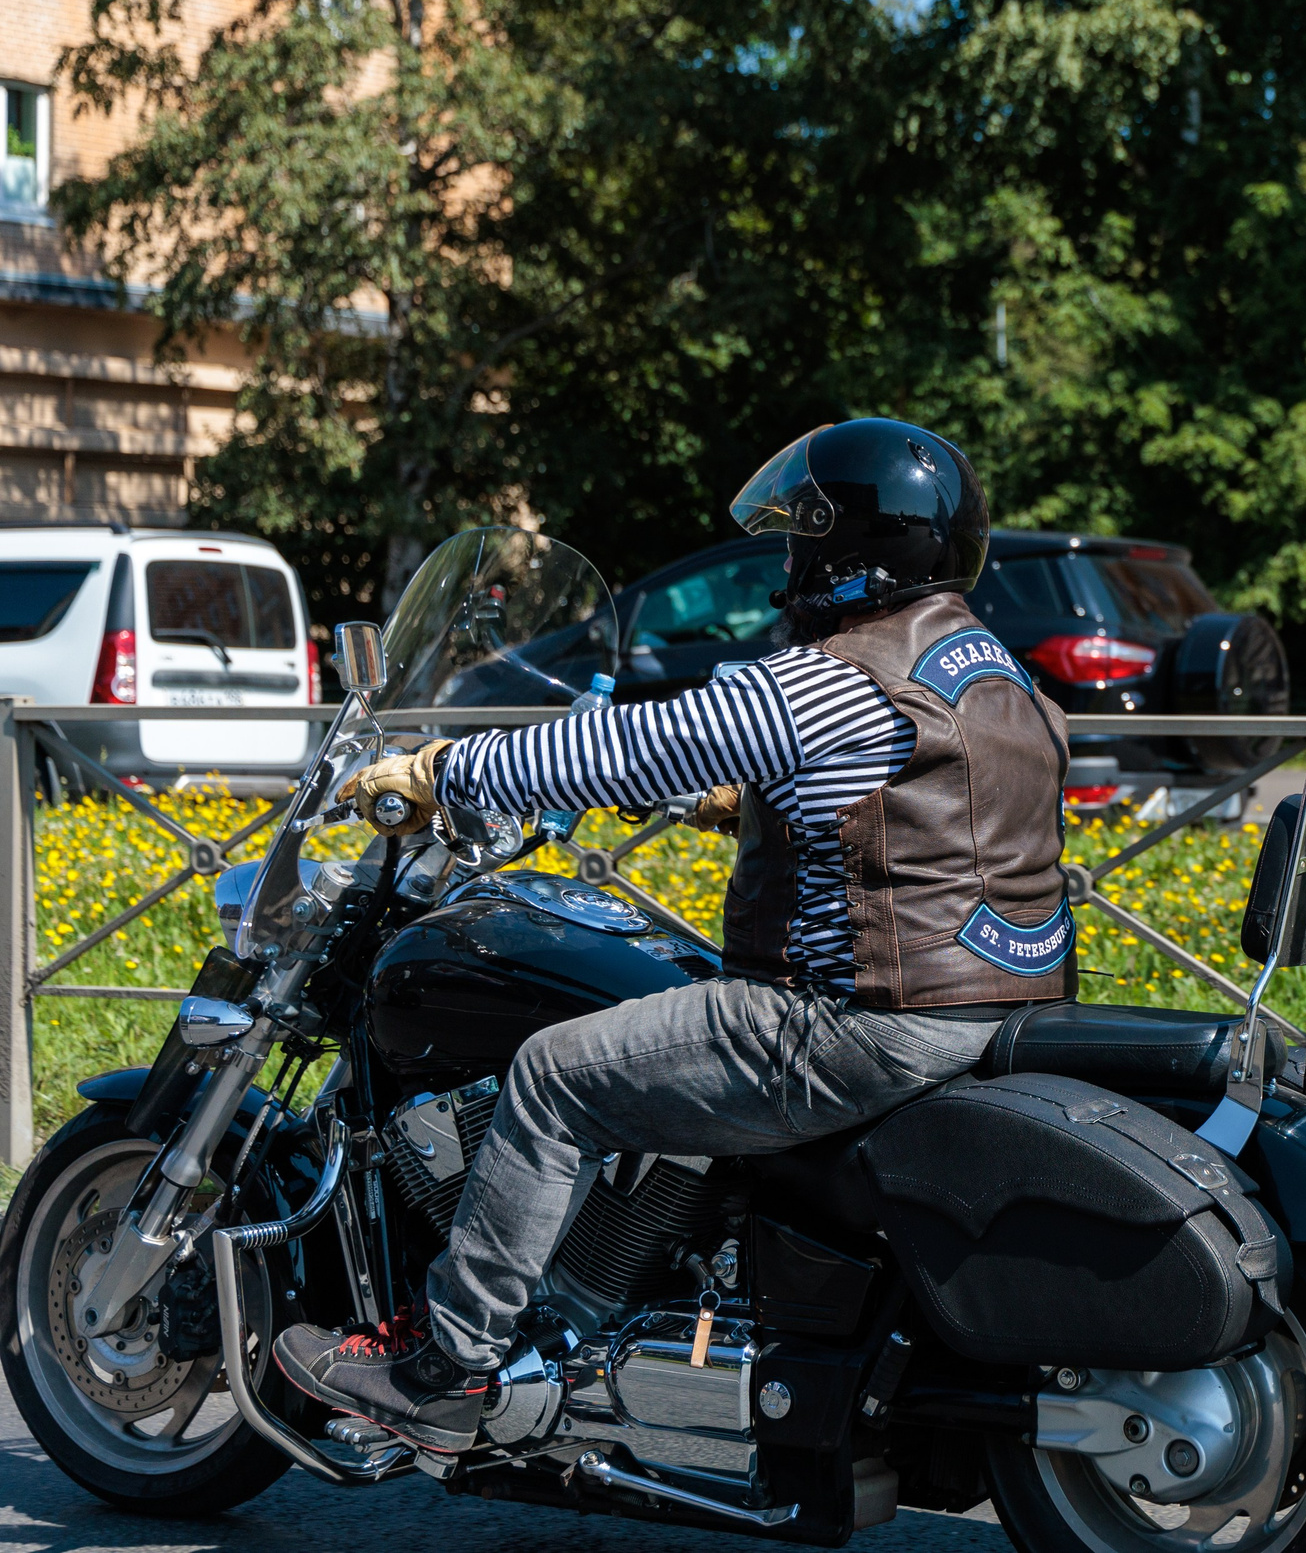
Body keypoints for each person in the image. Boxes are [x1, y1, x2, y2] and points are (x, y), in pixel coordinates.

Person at [271, 418, 1075, 1452]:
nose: (788, 561)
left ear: (848, 549)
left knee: (552, 1074)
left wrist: (443, 772)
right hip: (989, 1004)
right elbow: (919, 813)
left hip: (855, 1018)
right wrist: (744, 800)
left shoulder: (833, 676)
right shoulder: (992, 671)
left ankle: (449, 1367)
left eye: (802, 536)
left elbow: (632, 745)